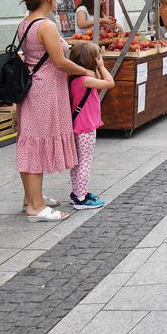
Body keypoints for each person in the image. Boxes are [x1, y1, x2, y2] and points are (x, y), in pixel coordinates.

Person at [15, 0, 95, 221]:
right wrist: (85, 71)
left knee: (30, 142)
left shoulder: (25, 23)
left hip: (33, 89)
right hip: (45, 91)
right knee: (36, 144)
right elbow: (59, 62)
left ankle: (31, 197)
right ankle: (36, 207)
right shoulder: (46, 26)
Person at [66, 41, 114, 209]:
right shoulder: (85, 80)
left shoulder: (76, 79)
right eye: (97, 57)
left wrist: (95, 69)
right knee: (85, 161)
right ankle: (81, 198)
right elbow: (109, 82)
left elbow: (100, 81)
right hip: (85, 127)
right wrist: (101, 66)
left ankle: (78, 192)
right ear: (92, 60)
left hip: (79, 125)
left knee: (77, 162)